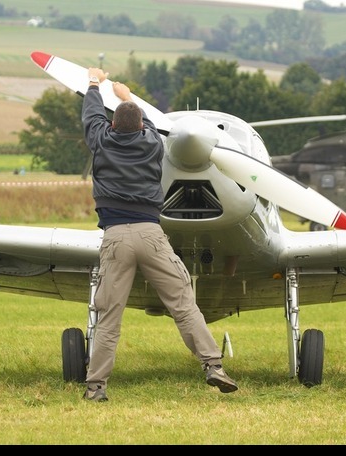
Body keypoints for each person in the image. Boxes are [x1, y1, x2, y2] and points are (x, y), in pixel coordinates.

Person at [80, 67, 238, 402]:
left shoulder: (101, 142)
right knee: (183, 304)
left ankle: (96, 387)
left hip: (116, 238)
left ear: (110, 127)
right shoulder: (153, 142)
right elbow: (152, 120)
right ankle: (213, 366)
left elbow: (91, 116)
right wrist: (125, 95)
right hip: (152, 235)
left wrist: (94, 83)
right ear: (141, 127)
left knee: (109, 315)